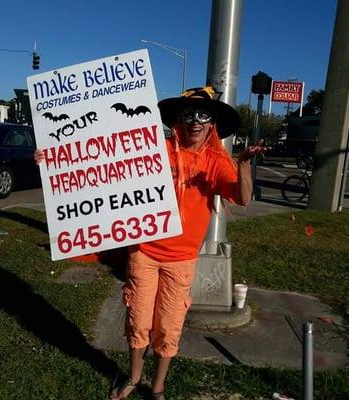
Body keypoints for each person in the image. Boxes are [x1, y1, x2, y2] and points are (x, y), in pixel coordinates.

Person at [35, 86, 267, 400]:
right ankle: (133, 377)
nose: (195, 121)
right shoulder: (156, 149)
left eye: (203, 115)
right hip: (143, 251)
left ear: (212, 123)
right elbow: (104, 164)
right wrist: (55, 161)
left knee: (169, 326)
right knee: (138, 319)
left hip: (182, 259)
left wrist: (242, 164)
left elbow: (242, 197)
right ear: (178, 120)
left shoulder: (216, 161)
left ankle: (157, 389)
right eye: (189, 115)